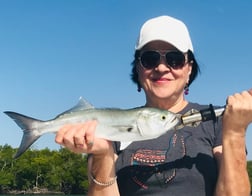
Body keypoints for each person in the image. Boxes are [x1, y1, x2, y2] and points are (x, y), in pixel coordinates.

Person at [55, 15, 252, 196]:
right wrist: (103, 154)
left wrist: (235, 132)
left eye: (174, 59)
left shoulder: (219, 122)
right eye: (150, 59)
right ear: (138, 68)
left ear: (189, 68)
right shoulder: (108, 130)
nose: (161, 67)